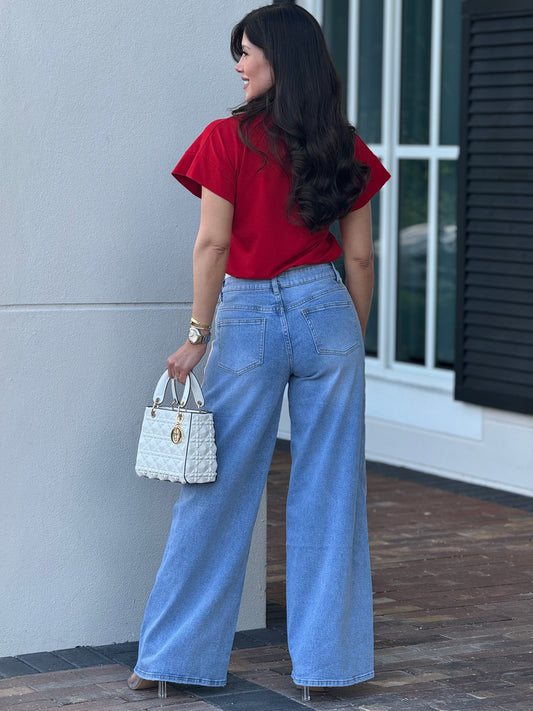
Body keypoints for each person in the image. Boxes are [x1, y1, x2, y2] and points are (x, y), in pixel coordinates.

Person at [128, 2, 390, 700]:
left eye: (246, 51)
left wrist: (195, 336)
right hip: (327, 308)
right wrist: (346, 334)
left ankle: (171, 663)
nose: (238, 65)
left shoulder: (226, 138)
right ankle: (327, 672)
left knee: (214, 489)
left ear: (279, 57)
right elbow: (359, 258)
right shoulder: (345, 143)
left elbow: (212, 244)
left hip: (247, 314)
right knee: (331, 491)